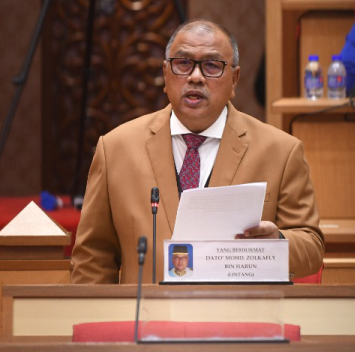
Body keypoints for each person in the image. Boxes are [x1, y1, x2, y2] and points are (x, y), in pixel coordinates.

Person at [71, 19, 324, 284]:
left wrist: (278, 242)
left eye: (212, 66)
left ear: (234, 79)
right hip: (147, 320)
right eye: (183, 63)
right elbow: (92, 257)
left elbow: (312, 246)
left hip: (240, 320)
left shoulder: (280, 151)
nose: (195, 76)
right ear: (166, 74)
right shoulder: (116, 149)